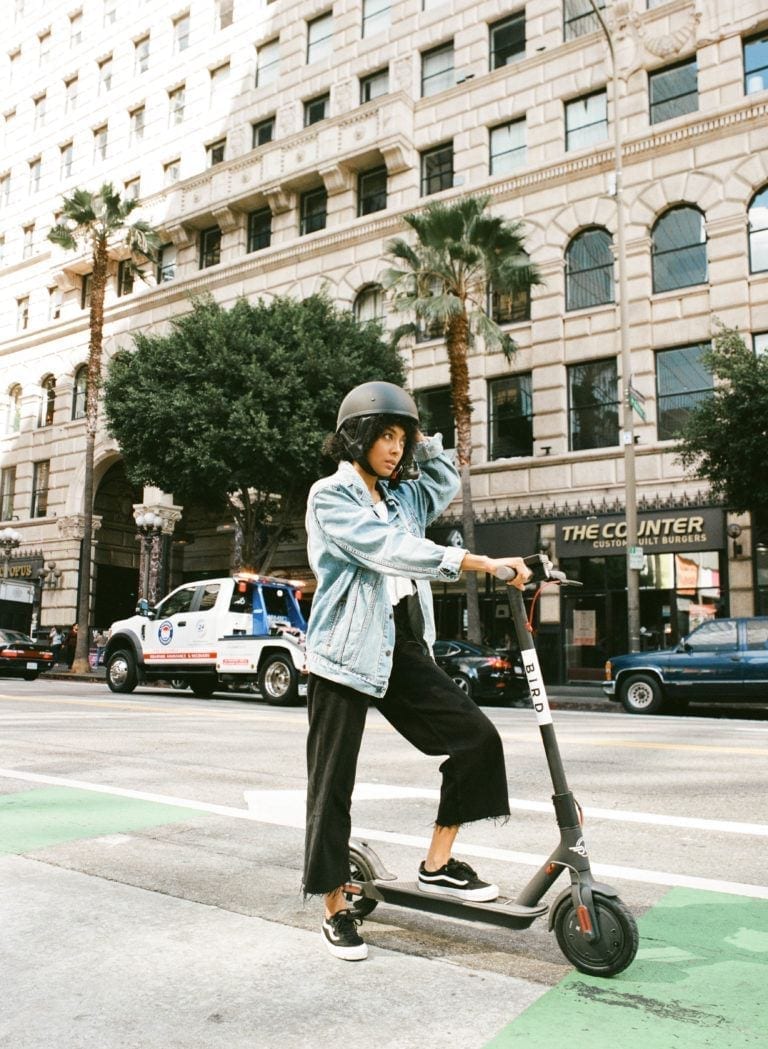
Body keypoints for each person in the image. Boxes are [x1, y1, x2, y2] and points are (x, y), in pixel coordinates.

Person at [303, 381, 531, 961]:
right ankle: (334, 906)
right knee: (333, 785)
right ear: (356, 436)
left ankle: (437, 864)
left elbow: (444, 478)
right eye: (383, 435)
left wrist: (419, 432)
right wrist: (474, 561)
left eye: (400, 438)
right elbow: (384, 549)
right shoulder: (330, 498)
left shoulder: (405, 499)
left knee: (476, 739)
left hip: (403, 645)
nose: (395, 448)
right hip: (344, 651)